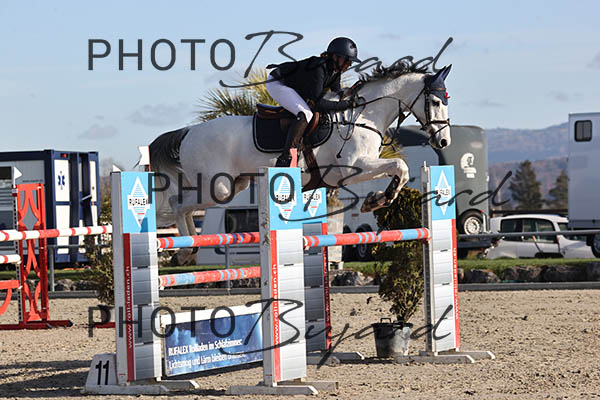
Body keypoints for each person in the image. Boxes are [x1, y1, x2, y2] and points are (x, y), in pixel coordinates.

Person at [265, 37, 362, 167]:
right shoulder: (319, 68)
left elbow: (337, 93)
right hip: (277, 83)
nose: (349, 64)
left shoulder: (335, 71)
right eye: (347, 60)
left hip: (294, 87)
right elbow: (318, 104)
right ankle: (285, 158)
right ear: (335, 57)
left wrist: (352, 95)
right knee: (305, 113)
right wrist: (346, 105)